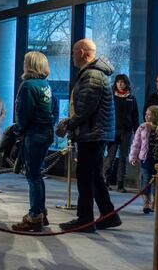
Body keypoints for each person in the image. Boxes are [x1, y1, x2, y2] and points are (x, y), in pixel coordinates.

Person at [56, 39, 120, 232]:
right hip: (95, 133)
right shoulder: (94, 73)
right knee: (94, 176)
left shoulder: (92, 74)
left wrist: (68, 125)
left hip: (93, 134)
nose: (73, 56)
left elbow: (85, 108)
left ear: (82, 52)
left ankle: (85, 219)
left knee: (85, 176)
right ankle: (109, 216)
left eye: (74, 52)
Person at [11, 52, 55, 232]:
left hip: (34, 133)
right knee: (38, 174)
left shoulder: (28, 85)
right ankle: (41, 212)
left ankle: (34, 215)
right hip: (46, 132)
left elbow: (24, 113)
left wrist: (18, 131)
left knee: (33, 176)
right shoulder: (45, 84)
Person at [103, 74, 139, 192]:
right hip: (113, 130)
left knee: (123, 157)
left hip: (126, 131)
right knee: (110, 157)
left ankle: (120, 184)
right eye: (118, 82)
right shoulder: (111, 96)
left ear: (126, 83)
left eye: (123, 82)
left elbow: (135, 116)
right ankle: (106, 181)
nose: (120, 84)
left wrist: (136, 130)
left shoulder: (131, 98)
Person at [129, 105, 158, 214]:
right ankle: (146, 202)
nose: (146, 116)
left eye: (149, 114)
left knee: (157, 181)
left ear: (156, 116)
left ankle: (155, 202)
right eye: (146, 114)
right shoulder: (142, 127)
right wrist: (133, 157)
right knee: (146, 179)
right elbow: (136, 144)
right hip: (146, 158)